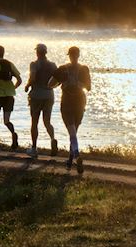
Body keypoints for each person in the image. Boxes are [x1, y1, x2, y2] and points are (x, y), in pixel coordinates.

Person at [51, 45, 91, 175]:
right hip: (80, 102)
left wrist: (60, 83)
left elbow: (49, 84)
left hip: (67, 102)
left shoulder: (62, 69)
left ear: (69, 55)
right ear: (78, 55)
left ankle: (77, 155)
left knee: (72, 133)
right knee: (74, 132)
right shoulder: (84, 69)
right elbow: (88, 87)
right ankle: (69, 160)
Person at [24, 43, 59, 159]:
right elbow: (58, 80)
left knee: (34, 122)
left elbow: (33, 77)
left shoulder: (34, 64)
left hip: (36, 95)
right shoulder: (53, 65)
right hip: (49, 95)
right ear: (46, 52)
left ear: (37, 52)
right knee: (47, 121)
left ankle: (34, 149)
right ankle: (53, 139)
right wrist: (52, 87)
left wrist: (27, 85)